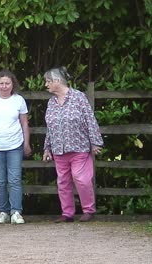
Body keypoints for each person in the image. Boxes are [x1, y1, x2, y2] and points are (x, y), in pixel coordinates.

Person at [42, 67, 103, 223]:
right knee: (62, 182)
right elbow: (50, 126)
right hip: (58, 149)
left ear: (57, 81)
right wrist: (47, 148)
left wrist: (95, 142)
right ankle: (67, 213)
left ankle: (89, 210)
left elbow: (90, 119)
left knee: (81, 179)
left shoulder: (78, 97)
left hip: (79, 147)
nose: (46, 85)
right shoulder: (52, 102)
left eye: (48, 81)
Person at [0, 70, 32, 224]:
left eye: (7, 83)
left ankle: (16, 211)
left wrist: (26, 143)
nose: (4, 86)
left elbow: (24, 123)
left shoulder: (19, 100)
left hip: (15, 145)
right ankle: (3, 212)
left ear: (12, 84)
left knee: (15, 179)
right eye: (1, 83)